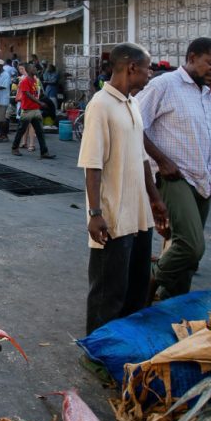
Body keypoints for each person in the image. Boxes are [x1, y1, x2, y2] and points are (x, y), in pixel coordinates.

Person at [79, 42, 169, 334]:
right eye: (147, 69)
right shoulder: (100, 105)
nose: (149, 75)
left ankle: (126, 348)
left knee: (135, 289)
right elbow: (92, 164)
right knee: (109, 293)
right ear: (132, 68)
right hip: (113, 217)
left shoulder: (132, 103)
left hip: (138, 215)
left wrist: (154, 199)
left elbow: (141, 157)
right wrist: (95, 212)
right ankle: (98, 350)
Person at [136, 37, 211, 300]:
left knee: (187, 261)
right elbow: (134, 125)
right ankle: (150, 279)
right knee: (191, 247)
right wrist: (163, 160)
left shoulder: (210, 93)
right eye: (210, 62)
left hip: (202, 179)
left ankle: (171, 303)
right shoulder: (164, 85)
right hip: (174, 176)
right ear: (191, 58)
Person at [11, 64, 55, 159]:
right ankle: (15, 148)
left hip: (35, 109)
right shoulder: (25, 81)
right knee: (21, 130)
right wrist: (40, 103)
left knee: (39, 132)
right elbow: (27, 94)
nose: (35, 69)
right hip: (27, 110)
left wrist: (40, 101)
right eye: (33, 68)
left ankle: (44, 152)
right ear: (28, 70)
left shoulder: (34, 80)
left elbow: (35, 93)